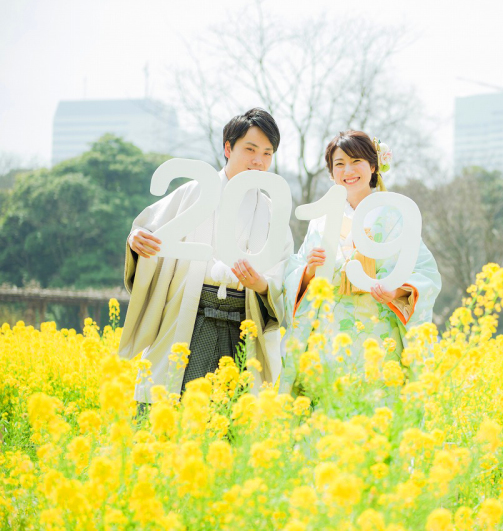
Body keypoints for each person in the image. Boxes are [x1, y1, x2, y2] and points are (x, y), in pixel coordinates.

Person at [119, 108, 293, 406]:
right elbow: (149, 231)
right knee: (175, 407)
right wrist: (137, 240)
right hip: (190, 315)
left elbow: (284, 274)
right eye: (250, 149)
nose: (258, 161)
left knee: (232, 418)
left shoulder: (271, 211)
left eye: (267, 153)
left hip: (244, 320)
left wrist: (263, 286)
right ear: (228, 148)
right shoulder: (194, 193)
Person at [282, 130, 441, 390]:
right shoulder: (321, 219)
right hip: (329, 336)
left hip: (380, 335)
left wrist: (397, 291)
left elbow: (425, 274)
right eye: (340, 164)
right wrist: (309, 271)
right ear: (331, 173)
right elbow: (296, 273)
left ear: (374, 166)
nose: (348, 170)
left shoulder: (395, 217)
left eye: (357, 161)